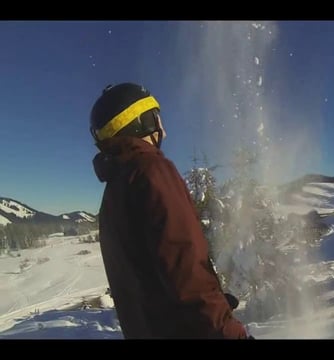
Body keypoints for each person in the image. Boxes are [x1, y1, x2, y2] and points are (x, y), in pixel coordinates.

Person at [90, 83, 250, 339]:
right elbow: (186, 267)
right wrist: (226, 330)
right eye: (156, 118)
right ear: (141, 121)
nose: (163, 129)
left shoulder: (114, 190)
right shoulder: (151, 169)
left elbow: (148, 277)